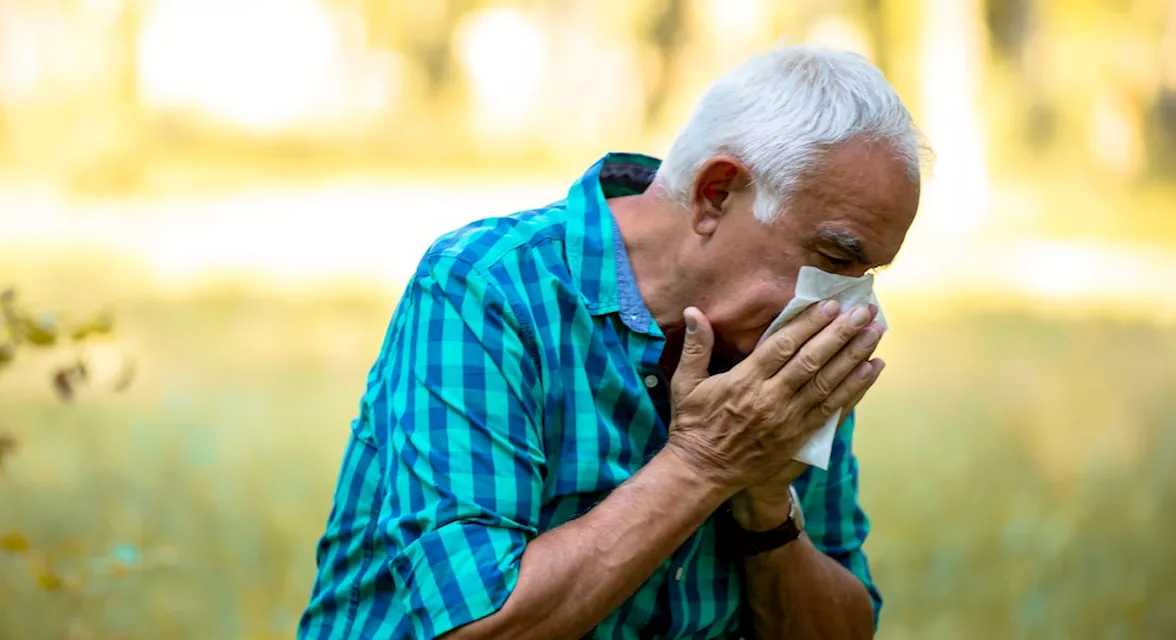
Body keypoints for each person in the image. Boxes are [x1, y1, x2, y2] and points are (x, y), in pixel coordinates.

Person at [299, 44, 928, 639]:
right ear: (716, 194)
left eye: (865, 275)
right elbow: (474, 625)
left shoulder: (791, 342)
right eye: (833, 257)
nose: (849, 308)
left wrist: (766, 505)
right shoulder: (489, 286)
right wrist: (705, 464)